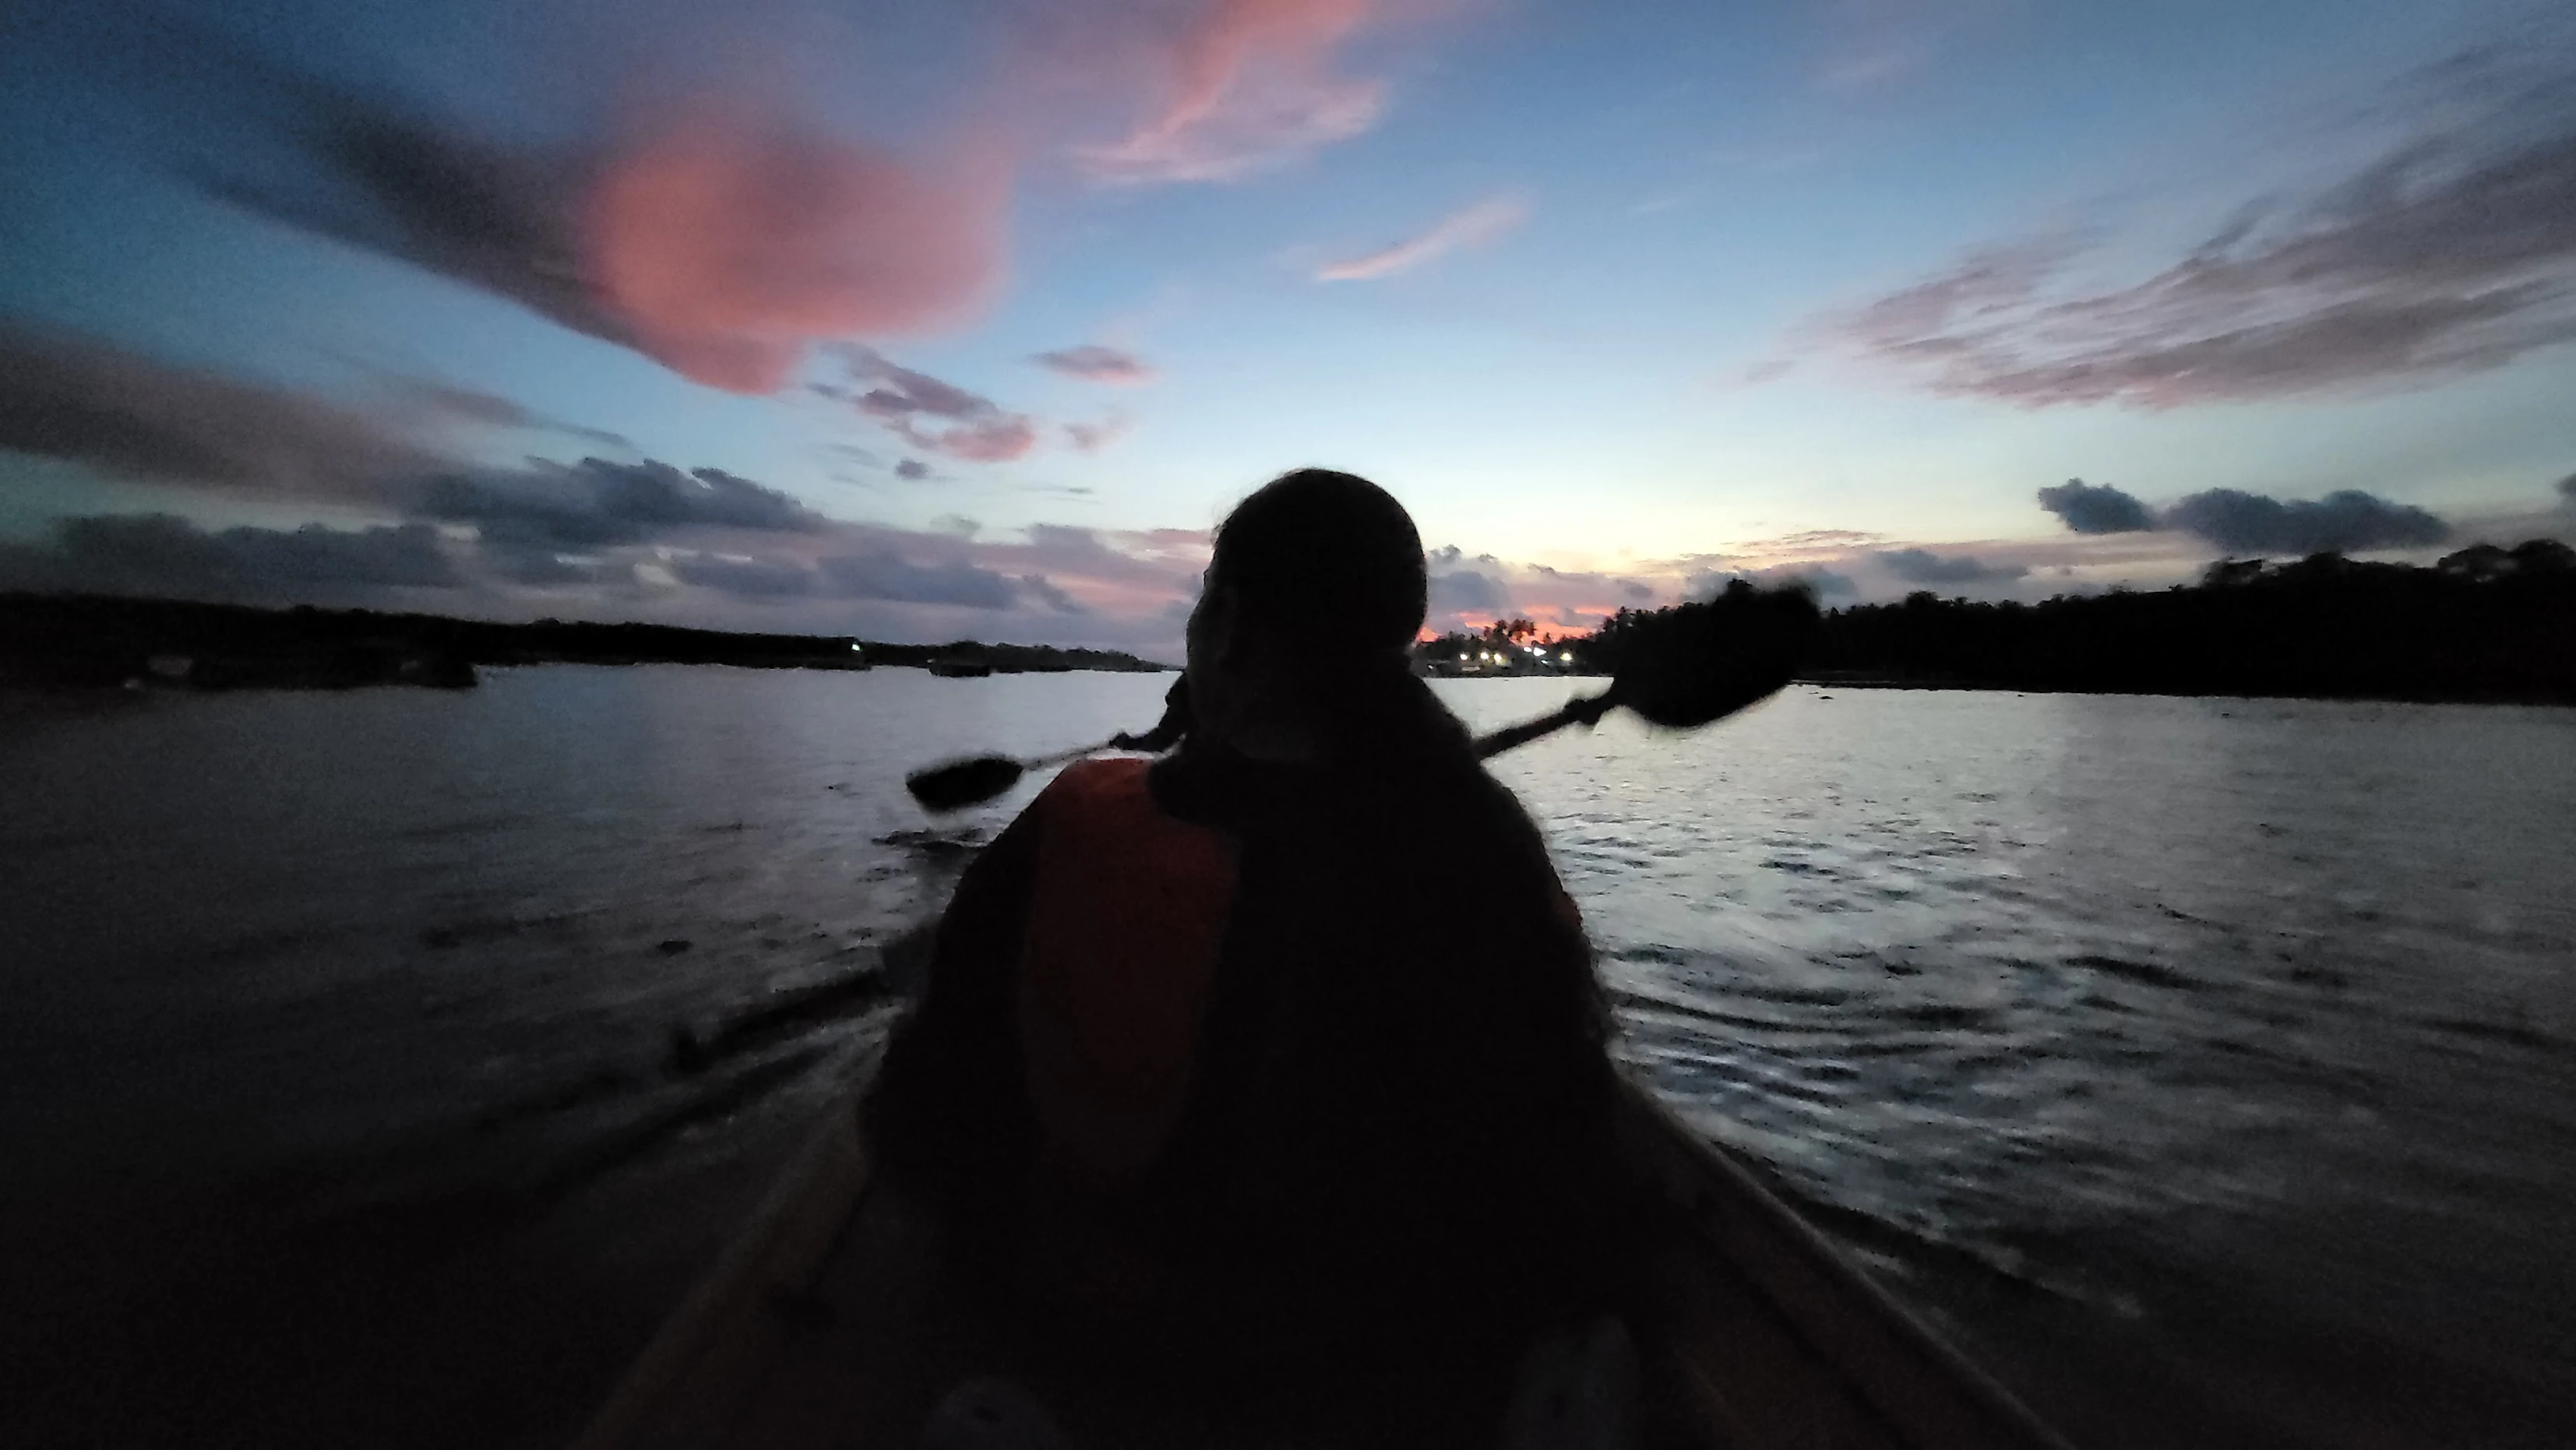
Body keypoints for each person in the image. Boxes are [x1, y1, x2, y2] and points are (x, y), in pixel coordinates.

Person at [861, 469, 1639, 1443]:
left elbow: (924, 1128)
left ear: (1225, 625)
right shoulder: (1477, 843)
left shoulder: (1077, 824)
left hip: (1099, 1338)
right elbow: (1559, 1146)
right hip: (1380, 1368)